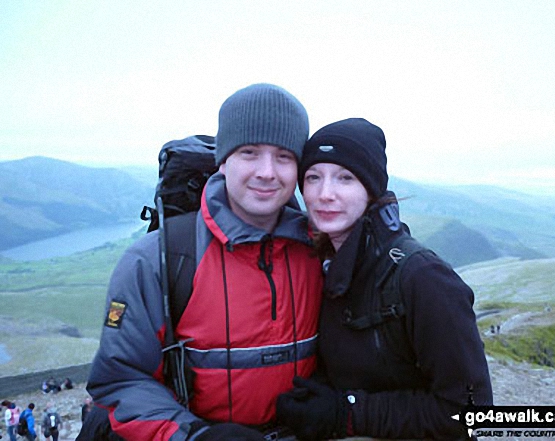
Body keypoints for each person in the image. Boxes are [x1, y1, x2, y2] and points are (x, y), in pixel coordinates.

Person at [85, 83, 323, 440]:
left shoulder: (318, 252)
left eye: (284, 156)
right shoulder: (157, 259)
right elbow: (121, 377)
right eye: (249, 152)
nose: (267, 171)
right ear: (223, 160)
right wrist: (193, 436)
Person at [276, 118, 493, 439]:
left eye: (345, 178)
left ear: (371, 188)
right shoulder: (322, 265)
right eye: (313, 177)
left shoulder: (423, 278)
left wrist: (347, 412)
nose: (324, 194)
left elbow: (473, 412)